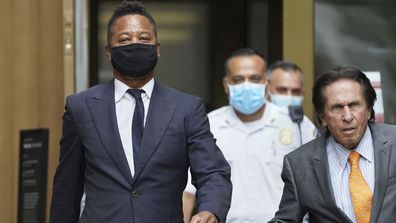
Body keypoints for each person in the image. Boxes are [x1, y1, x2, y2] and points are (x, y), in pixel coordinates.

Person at [49, 1, 232, 223]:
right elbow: (67, 187)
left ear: (157, 49)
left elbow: (212, 172)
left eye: (144, 39)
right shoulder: (81, 107)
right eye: (125, 39)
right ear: (109, 51)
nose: (135, 44)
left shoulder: (186, 108)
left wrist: (210, 210)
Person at [183, 48, 317, 222]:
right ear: (226, 85)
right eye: (238, 79)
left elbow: (317, 184)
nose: (247, 85)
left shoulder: (296, 124)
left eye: (254, 79)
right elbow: (187, 193)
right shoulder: (208, 125)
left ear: (267, 83)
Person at [269, 67, 396, 222]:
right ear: (322, 118)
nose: (347, 116)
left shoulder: (393, 143)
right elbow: (286, 219)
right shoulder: (300, 164)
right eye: (337, 108)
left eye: (354, 105)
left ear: (368, 110)